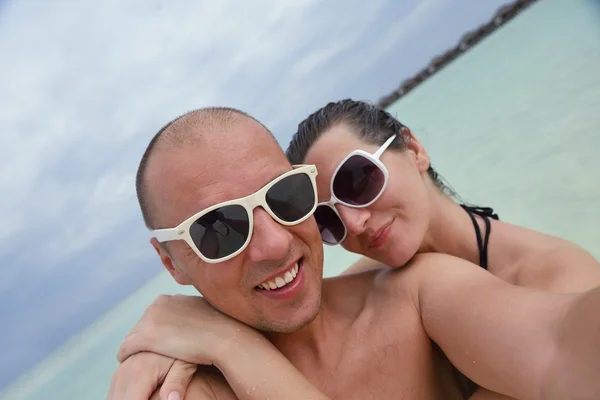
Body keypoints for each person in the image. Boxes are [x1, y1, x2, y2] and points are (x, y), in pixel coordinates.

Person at [106, 106, 600, 400]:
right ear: (171, 262)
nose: (276, 243)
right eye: (217, 229)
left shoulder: (417, 294)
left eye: (284, 196)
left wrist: (234, 346)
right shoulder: (184, 387)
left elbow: (563, 350)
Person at [285, 99, 600, 294]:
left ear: (414, 151)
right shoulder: (365, 288)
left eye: (356, 182)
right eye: (327, 218)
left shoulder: (560, 283)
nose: (353, 224)